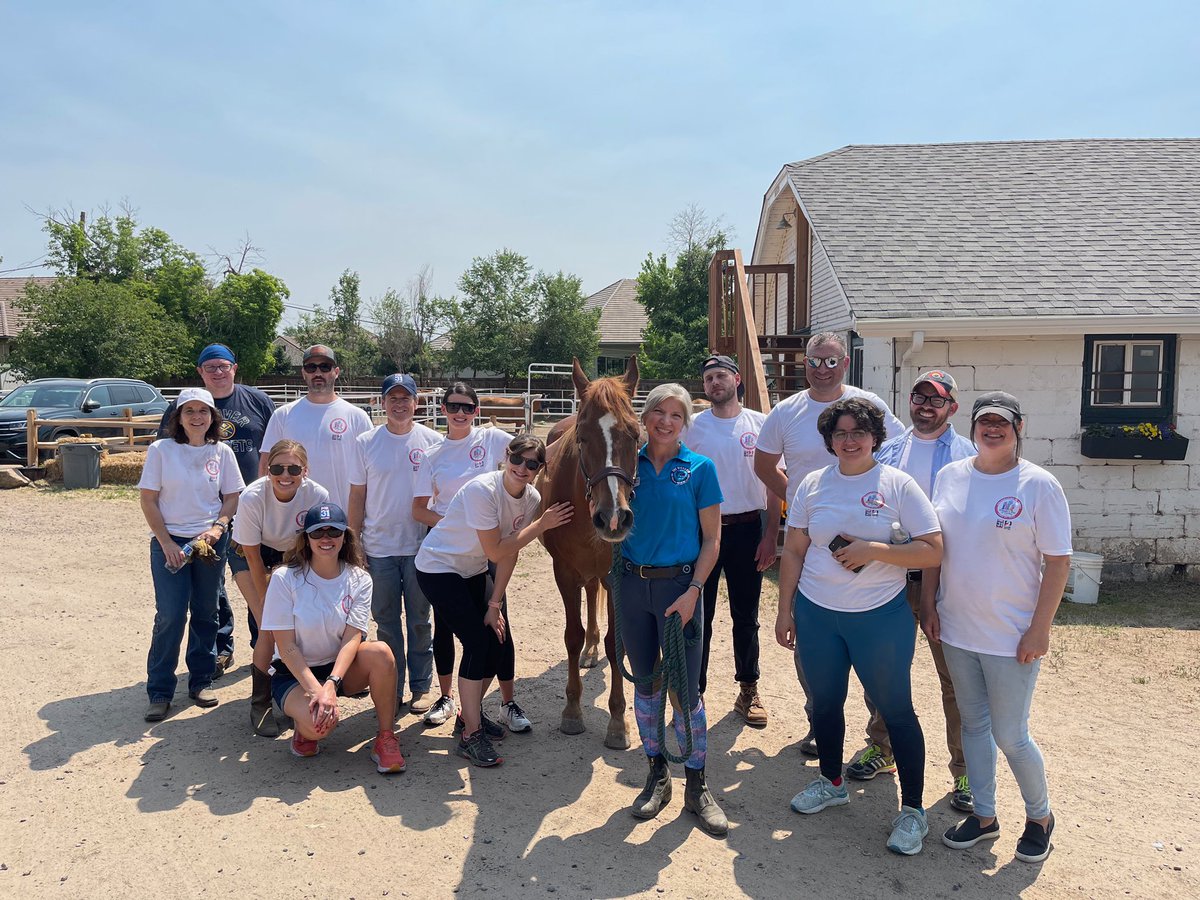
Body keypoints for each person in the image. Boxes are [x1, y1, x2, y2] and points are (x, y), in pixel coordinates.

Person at [774, 397, 942, 856]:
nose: (849, 441)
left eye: (858, 432)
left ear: (875, 437)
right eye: (840, 433)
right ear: (829, 439)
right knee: (825, 703)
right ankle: (831, 781)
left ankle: (912, 811)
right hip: (817, 612)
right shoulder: (811, 483)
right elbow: (793, 551)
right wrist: (785, 608)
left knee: (896, 710)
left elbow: (933, 550)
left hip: (879, 617)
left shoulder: (897, 483)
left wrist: (875, 550)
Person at [923, 391, 1072, 864]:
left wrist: (1039, 628)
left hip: (1011, 636)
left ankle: (1040, 817)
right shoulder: (949, 477)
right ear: (972, 425)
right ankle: (985, 816)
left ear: (1019, 427)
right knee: (974, 726)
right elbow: (935, 546)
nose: (992, 428)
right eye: (984, 420)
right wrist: (929, 602)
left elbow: (1058, 560)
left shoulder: (1038, 485)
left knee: (1011, 734)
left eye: (1002, 422)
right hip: (959, 629)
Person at [754, 331, 904, 754]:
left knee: (874, 646)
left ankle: (881, 739)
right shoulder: (786, 412)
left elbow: (895, 453)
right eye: (815, 361)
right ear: (805, 363)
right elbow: (764, 464)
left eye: (831, 361)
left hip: (868, 537)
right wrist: (801, 506)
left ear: (845, 363)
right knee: (811, 640)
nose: (823, 368)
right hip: (812, 542)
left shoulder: (869, 406)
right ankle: (821, 722)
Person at [847, 371, 976, 813]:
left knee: (955, 680)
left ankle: (967, 773)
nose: (925, 405)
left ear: (952, 409)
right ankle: (882, 748)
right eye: (919, 396)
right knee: (882, 669)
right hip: (889, 577)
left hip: (945, 579)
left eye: (936, 400)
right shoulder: (890, 448)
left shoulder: (968, 455)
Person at [414, 435, 571, 767]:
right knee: (475, 642)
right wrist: (543, 524)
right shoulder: (482, 490)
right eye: (517, 459)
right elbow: (496, 550)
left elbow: (509, 553)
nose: (522, 468)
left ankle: (468, 716)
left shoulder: (531, 498)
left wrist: (495, 604)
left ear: (540, 469)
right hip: (438, 568)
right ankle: (471, 735)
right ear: (506, 456)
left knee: (496, 641)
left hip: (472, 570)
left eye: (532, 464)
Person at [620, 384, 727, 837]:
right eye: (658, 413)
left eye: (675, 415)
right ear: (645, 418)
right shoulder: (627, 466)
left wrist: (695, 591)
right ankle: (656, 773)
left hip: (680, 589)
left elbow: (712, 540)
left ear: (685, 422)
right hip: (630, 586)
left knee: (685, 690)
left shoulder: (701, 469)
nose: (665, 421)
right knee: (645, 685)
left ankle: (698, 784)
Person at [157, 343, 275, 678]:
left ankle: (262, 647)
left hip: (251, 505)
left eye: (224, 366)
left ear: (235, 368)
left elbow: (278, 444)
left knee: (256, 576)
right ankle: (221, 649)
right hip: (202, 511)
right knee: (213, 586)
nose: (218, 372)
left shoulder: (258, 401)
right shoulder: (180, 408)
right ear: (200, 372)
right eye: (211, 367)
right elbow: (165, 453)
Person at [261, 502, 405, 774]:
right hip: (294, 673)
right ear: (306, 538)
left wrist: (331, 684)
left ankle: (385, 737)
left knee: (382, 652)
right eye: (317, 533)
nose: (326, 539)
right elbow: (286, 645)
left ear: (344, 536)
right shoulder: (285, 578)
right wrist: (317, 690)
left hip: (338, 669)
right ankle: (304, 730)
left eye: (333, 532)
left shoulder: (359, 578)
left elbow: (353, 637)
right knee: (320, 727)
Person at [411, 382, 522, 730]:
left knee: (498, 619)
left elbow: (530, 457)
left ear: (476, 410)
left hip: (488, 546)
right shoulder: (431, 455)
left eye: (468, 407)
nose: (460, 413)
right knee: (445, 627)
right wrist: (457, 524)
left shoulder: (492, 440)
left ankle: (507, 702)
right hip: (448, 546)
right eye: (453, 406)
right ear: (442, 409)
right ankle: (447, 698)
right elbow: (418, 509)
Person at [684, 354, 782, 727]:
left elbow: (774, 483)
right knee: (698, 615)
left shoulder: (760, 424)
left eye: (721, 376)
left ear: (737, 379)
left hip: (747, 529)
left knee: (746, 616)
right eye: (708, 378)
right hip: (704, 531)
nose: (714, 383)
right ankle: (695, 691)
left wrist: (771, 534)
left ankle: (748, 688)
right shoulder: (692, 427)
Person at [139, 387, 245, 721]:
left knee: (206, 611)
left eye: (203, 411)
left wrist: (219, 527)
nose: (197, 417)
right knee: (170, 615)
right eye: (189, 411)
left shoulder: (222, 452)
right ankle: (160, 689)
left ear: (213, 417)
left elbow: (231, 496)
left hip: (209, 544)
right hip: (170, 542)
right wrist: (167, 543)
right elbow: (149, 499)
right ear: (178, 417)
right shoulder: (161, 450)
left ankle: (200, 680)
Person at [348, 374, 443, 715]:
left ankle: (421, 687)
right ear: (382, 403)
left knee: (420, 618)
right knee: (385, 620)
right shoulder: (365, 442)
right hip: (378, 547)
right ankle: (392, 685)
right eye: (393, 398)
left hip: (419, 546)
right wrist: (353, 541)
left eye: (406, 398)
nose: (399, 404)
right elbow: (357, 495)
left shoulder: (433, 441)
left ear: (417, 403)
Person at [231, 439, 329, 736]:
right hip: (252, 555)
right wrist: (268, 603)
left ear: (305, 470)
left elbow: (316, 543)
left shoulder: (317, 494)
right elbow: (250, 553)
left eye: (293, 468)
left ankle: (292, 689)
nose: (285, 475)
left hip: (294, 555)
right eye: (277, 468)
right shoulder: (252, 496)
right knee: (268, 626)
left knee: (298, 623)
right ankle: (259, 703)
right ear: (267, 469)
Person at [260, 345, 372, 510]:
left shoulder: (357, 417)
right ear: (303, 373)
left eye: (325, 367)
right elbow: (265, 466)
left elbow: (370, 471)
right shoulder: (283, 415)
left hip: (341, 517)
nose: (318, 373)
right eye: (311, 367)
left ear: (336, 372)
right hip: (291, 517)